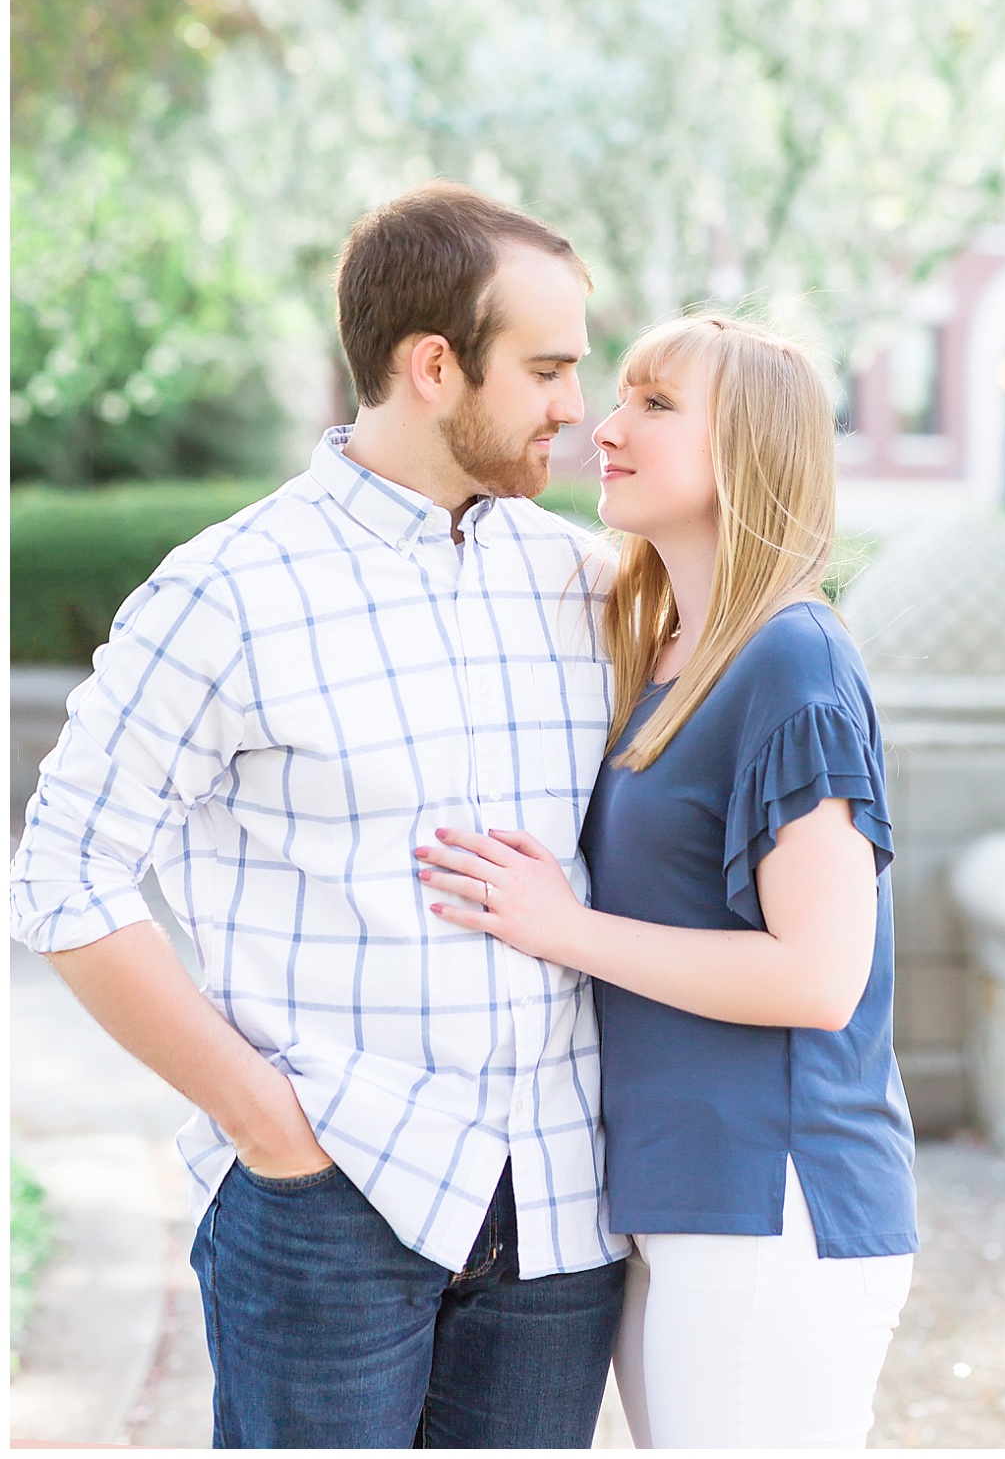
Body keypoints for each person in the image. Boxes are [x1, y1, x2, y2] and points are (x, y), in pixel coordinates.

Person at [10, 182, 629, 1450]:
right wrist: (259, 1117)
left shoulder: (580, 580)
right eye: (551, 367)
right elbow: (62, 873)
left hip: (562, 1205)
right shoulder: (227, 592)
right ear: (435, 365)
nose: (579, 406)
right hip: (328, 1201)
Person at [416, 312, 918, 1450]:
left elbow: (820, 974)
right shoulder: (672, 654)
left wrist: (564, 927)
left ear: (744, 447)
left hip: (772, 1199)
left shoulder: (793, 654)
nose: (606, 425)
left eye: (653, 403)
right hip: (676, 1196)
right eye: (620, 398)